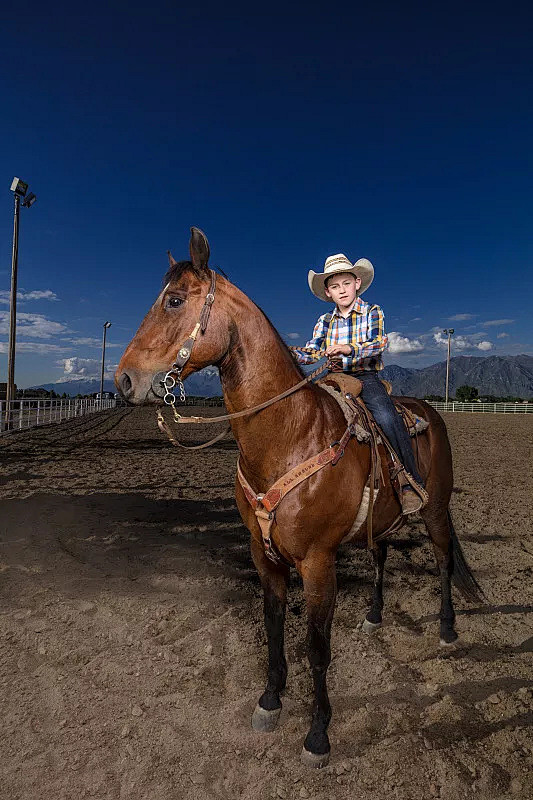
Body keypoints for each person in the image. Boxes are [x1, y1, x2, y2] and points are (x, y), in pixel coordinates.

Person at [290, 253, 427, 514]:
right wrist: (286, 353)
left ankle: (409, 481)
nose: (341, 290)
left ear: (357, 283)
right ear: (328, 292)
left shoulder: (372, 311)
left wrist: (348, 349)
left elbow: (378, 343)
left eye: (345, 283)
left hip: (365, 377)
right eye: (334, 286)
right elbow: (312, 352)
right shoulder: (324, 322)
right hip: (330, 379)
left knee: (387, 417)